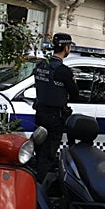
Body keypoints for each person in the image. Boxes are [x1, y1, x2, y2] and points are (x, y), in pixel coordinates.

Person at [33, 32, 80, 181]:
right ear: (66, 48)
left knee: (39, 151)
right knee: (48, 154)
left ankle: (35, 178)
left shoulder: (41, 65)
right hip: (55, 117)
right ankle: (39, 188)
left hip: (40, 113)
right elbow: (75, 95)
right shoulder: (64, 71)